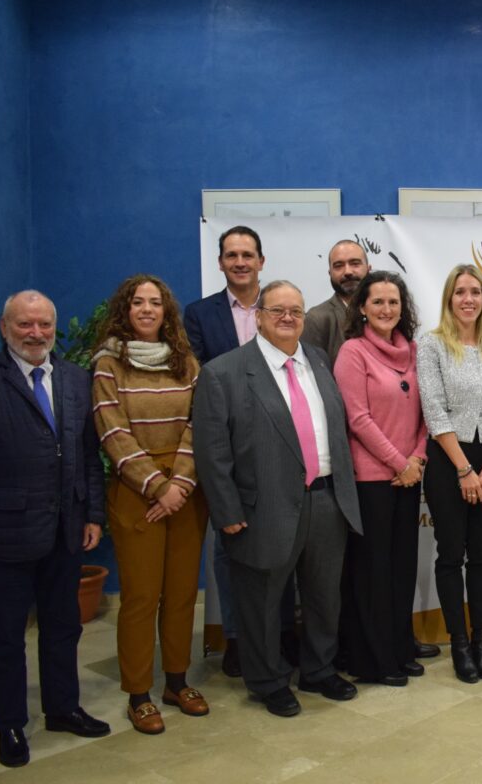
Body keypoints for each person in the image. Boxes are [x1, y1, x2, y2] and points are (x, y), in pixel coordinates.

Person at [193, 281, 363, 717]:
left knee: (324, 595)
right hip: (260, 508)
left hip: (326, 499)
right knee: (263, 602)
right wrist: (226, 510)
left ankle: (319, 670)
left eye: (296, 311)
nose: (288, 318)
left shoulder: (319, 360)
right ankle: (268, 680)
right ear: (259, 316)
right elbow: (212, 452)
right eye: (277, 311)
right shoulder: (224, 372)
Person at [0, 290, 110, 768]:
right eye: (25, 324)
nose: (36, 333)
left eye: (44, 324)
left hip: (66, 530)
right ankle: (10, 724)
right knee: (5, 638)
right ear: (5, 328)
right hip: (1, 536)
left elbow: (89, 456)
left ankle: (63, 708)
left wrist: (93, 514)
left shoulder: (75, 379)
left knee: (63, 629)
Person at [91, 275, 209, 734]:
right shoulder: (108, 362)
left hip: (186, 488)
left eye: (154, 303)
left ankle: (176, 682)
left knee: (181, 593)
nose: (146, 309)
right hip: (135, 489)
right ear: (126, 309)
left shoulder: (186, 362)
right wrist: (158, 487)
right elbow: (111, 431)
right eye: (137, 302)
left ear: (166, 311)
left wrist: (179, 483)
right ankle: (138, 693)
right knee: (141, 597)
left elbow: (200, 422)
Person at [184, 225, 297, 676]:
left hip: (280, 442)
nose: (240, 262)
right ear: (220, 263)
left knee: (285, 543)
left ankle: (283, 634)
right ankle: (234, 638)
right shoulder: (200, 314)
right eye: (231, 255)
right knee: (229, 546)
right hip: (228, 441)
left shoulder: (279, 307)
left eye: (248, 254)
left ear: (261, 261)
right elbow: (198, 376)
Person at [417, 265, 482, 683]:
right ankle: (458, 643)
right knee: (451, 554)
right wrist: (464, 470)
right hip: (447, 461)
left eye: (476, 292)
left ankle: (481, 642)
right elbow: (433, 409)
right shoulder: (431, 345)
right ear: (449, 299)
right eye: (460, 292)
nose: (469, 299)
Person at [334, 271, 427, 686]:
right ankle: (373, 660)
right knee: (373, 571)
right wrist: (398, 462)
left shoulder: (415, 351)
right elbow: (357, 419)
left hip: (410, 476)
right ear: (363, 309)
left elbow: (428, 414)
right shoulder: (352, 353)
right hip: (372, 479)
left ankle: (399, 647)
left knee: (402, 566)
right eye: (378, 303)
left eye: (394, 302)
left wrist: (418, 460)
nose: (387, 309)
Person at [304, 239, 370, 365]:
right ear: (330, 273)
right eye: (338, 266)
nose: (348, 272)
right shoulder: (316, 318)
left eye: (355, 263)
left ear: (368, 269)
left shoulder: (384, 313)